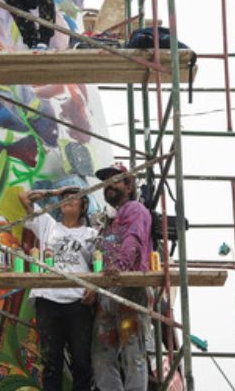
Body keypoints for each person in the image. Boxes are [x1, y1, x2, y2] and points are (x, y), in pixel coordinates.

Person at [18, 185, 96, 391]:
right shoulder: (47, 224)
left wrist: (95, 287)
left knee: (81, 362)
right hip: (48, 299)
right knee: (51, 363)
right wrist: (55, 192)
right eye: (65, 199)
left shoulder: (91, 233)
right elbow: (23, 196)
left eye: (75, 198)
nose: (69, 200)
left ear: (83, 206)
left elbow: (98, 265)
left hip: (78, 302)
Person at [88, 162, 152, 391]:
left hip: (129, 287)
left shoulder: (134, 209)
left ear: (129, 184)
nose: (108, 186)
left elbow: (133, 239)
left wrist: (120, 267)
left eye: (114, 180)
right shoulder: (108, 221)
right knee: (102, 353)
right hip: (108, 290)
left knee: (132, 349)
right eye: (105, 183)